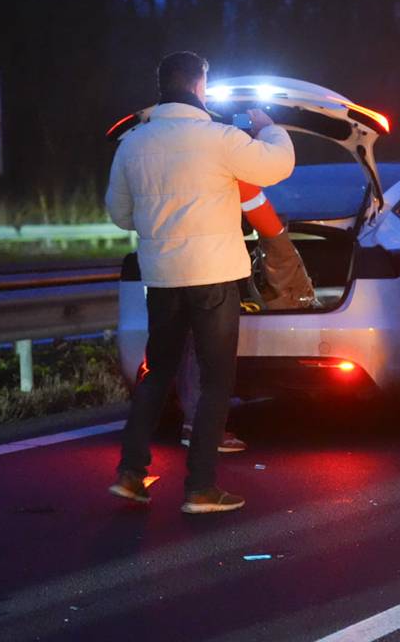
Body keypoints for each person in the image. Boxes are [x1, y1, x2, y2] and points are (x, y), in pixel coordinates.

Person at [104, 51, 294, 513]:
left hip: (162, 277)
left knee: (158, 373)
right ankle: (201, 488)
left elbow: (120, 215)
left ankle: (131, 474)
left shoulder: (133, 144)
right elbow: (278, 166)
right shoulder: (221, 139)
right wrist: (269, 127)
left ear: (162, 87)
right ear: (198, 86)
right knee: (215, 380)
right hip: (214, 276)